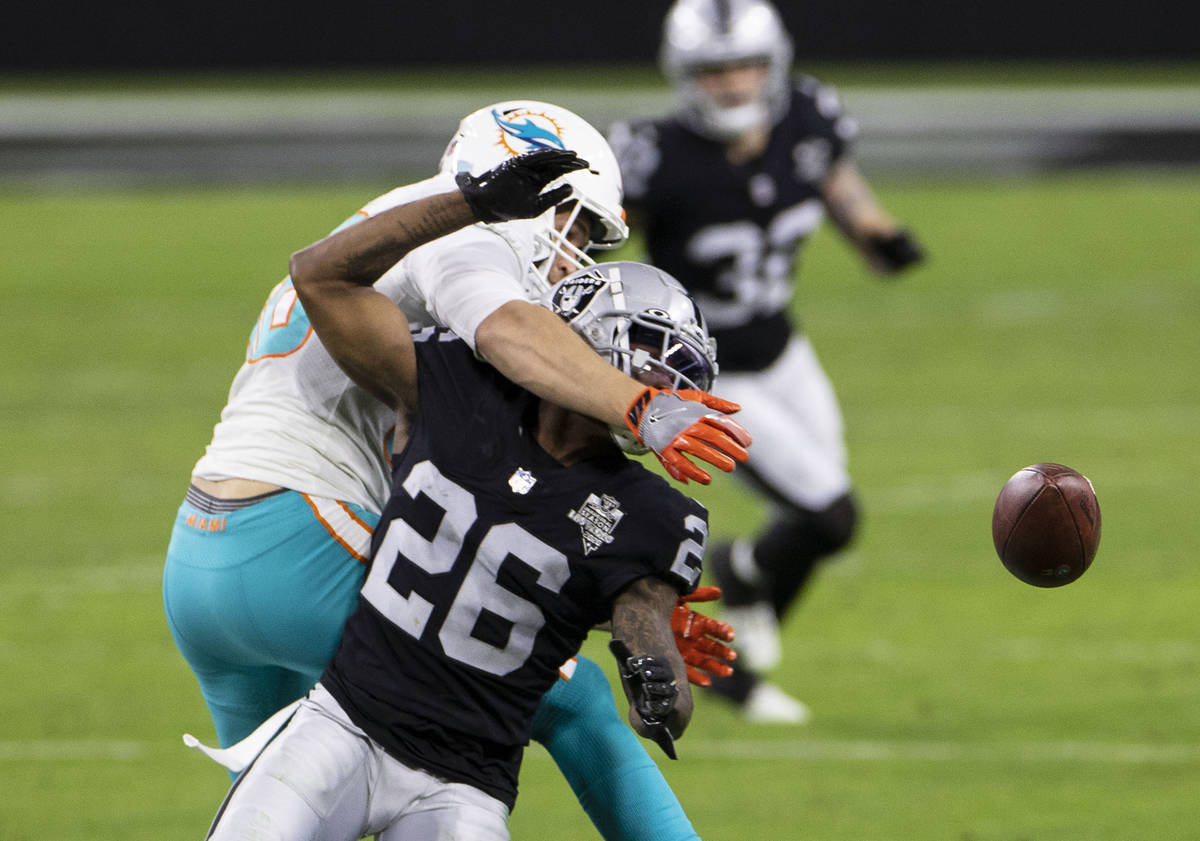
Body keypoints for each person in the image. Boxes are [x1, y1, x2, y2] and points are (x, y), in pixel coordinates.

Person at [165, 104, 746, 841]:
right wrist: (640, 404)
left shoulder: (400, 226)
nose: (577, 258)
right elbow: (509, 333)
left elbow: (472, 517)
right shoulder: (473, 239)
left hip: (204, 553)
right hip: (302, 531)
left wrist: (618, 603)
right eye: (577, 228)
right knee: (580, 701)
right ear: (531, 190)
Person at [608, 0, 926, 723]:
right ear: (684, 74)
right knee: (830, 514)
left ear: (773, 65)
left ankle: (741, 598)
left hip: (784, 347)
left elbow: (833, 180)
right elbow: (587, 239)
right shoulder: (651, 153)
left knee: (817, 512)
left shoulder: (807, 116)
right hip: (708, 372)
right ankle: (732, 636)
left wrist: (874, 231)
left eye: (745, 65)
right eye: (714, 70)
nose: (731, 83)